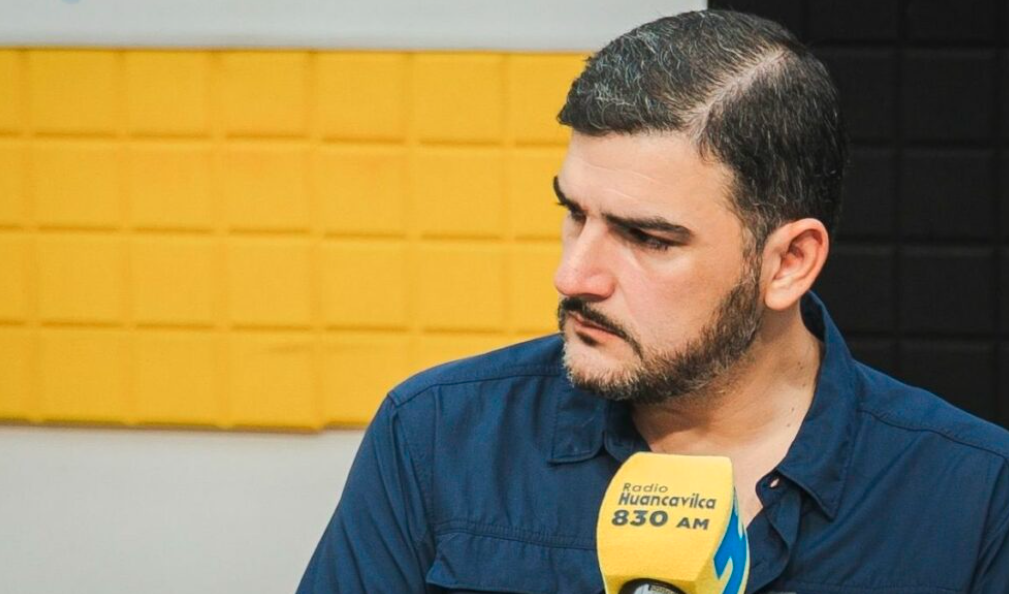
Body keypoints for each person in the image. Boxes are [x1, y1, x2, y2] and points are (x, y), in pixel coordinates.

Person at [297, 10, 1009, 593]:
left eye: (647, 238)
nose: (574, 276)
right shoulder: (436, 436)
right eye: (575, 213)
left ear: (789, 262)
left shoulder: (973, 495)